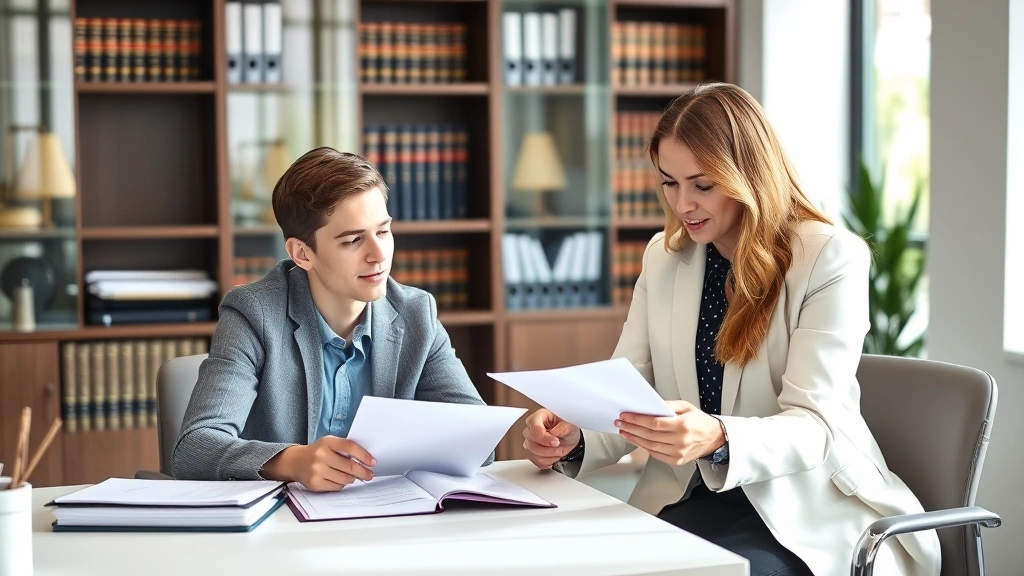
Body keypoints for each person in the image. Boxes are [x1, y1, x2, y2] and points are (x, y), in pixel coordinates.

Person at [521, 83, 940, 576]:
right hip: (690, 494)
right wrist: (575, 433)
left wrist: (717, 437)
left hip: (802, 508)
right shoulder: (664, 258)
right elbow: (629, 390)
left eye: (702, 185)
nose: (683, 204)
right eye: (669, 183)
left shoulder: (828, 258)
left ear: (748, 176)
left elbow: (815, 427)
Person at [172, 147, 489, 490]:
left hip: (390, 523)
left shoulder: (416, 314)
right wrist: (294, 461)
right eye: (353, 240)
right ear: (302, 253)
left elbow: (478, 444)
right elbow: (194, 448)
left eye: (383, 232)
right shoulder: (254, 313)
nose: (379, 255)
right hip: (282, 531)